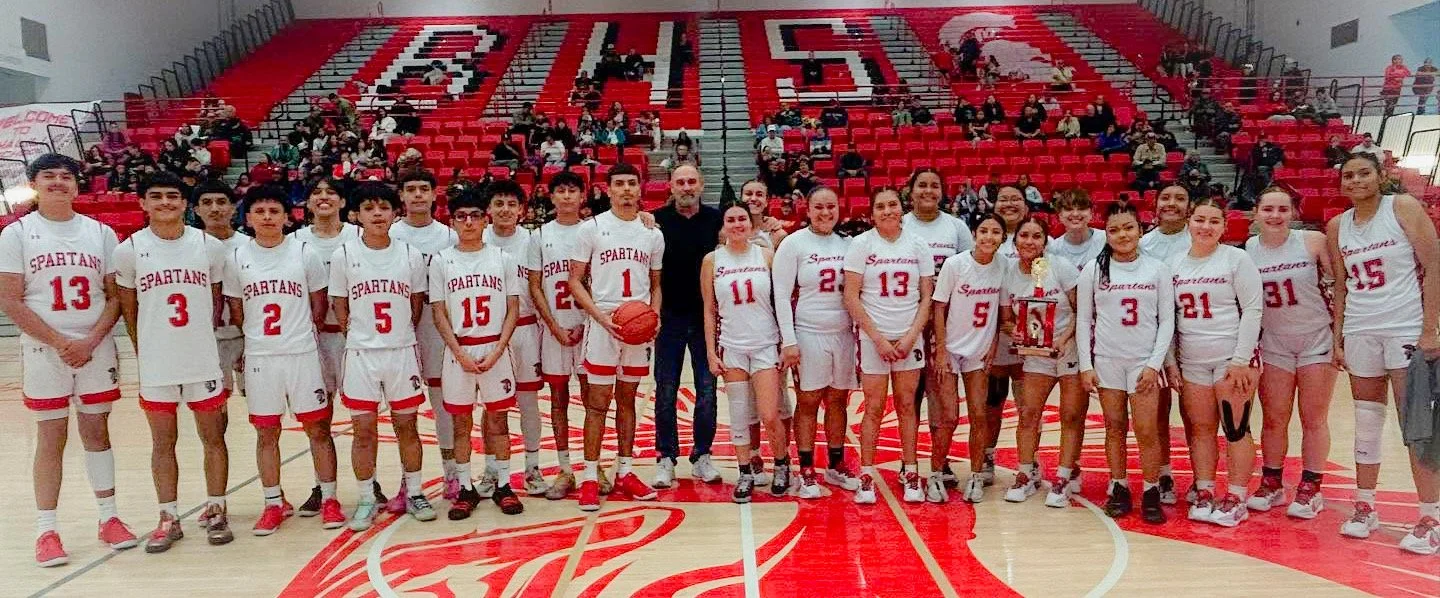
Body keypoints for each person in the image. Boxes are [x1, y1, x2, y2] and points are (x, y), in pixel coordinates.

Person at [0, 155, 137, 566]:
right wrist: (61, 342)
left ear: (78, 187)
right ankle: (47, 530)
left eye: (66, 177)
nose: (58, 182)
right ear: (34, 184)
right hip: (46, 351)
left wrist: (91, 340)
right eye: (49, 176)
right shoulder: (17, 234)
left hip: (94, 348)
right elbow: (9, 298)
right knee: (51, 437)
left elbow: (115, 296)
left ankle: (109, 518)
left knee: (97, 431)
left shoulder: (101, 233)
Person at [1328, 154, 1440, 553]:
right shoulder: (1337, 226)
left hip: (1405, 328)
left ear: (1380, 176)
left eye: (1363, 173)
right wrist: (1338, 336)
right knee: (1367, 422)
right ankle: (1365, 506)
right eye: (1348, 175)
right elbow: (1341, 286)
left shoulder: (1403, 207)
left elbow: (1434, 263)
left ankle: (1430, 515)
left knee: (1417, 427)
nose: (1356, 180)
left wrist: (1432, 328)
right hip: (1361, 329)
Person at [114, 172, 232, 551]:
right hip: (157, 364)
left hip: (201, 358)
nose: (165, 202)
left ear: (184, 204)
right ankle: (168, 515)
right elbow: (129, 313)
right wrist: (148, 349)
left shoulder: (208, 246)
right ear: (143, 204)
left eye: (173, 196)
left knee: (213, 438)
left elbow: (215, 303)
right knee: (163, 443)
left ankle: (217, 508)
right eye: (156, 196)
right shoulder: (129, 250)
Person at [223, 185, 342, 534]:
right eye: (260, 212)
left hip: (302, 354)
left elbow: (319, 306)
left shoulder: (304, 253)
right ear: (248, 219)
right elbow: (237, 309)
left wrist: (302, 335)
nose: (267, 217)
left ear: (286, 216)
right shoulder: (236, 258)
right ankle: (274, 502)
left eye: (274, 211)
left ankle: (330, 497)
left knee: (318, 429)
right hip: (262, 357)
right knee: (266, 433)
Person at [328, 181, 433, 532]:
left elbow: (416, 306)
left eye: (384, 208)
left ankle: (415, 492)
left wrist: (398, 335)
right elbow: (339, 305)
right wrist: (358, 335)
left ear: (394, 212)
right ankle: (366, 498)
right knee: (363, 431)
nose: (377, 214)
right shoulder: (344, 255)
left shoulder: (410, 254)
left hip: (401, 351)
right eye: (369, 208)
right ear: (356, 214)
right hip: (361, 354)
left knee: (408, 426)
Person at [569, 163, 666, 511]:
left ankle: (625, 470)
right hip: (604, 323)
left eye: (631, 184)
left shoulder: (653, 233)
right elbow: (575, 281)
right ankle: (591, 476)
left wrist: (653, 317)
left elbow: (656, 285)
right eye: (619, 184)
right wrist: (599, 317)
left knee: (628, 400)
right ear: (607, 190)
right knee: (597, 404)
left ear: (640, 190)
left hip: (638, 327)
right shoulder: (591, 229)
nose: (626, 189)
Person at [1164, 197, 1264, 528]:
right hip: (1192, 360)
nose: (1206, 227)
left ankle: (1236, 495)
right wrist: (1172, 361)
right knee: (1202, 430)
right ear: (1189, 222)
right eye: (1200, 219)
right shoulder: (1174, 264)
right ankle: (1205, 489)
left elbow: (1252, 309)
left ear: (1224, 226)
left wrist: (1241, 359)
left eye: (1214, 221)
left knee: (1236, 429)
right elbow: (1167, 318)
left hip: (1230, 359)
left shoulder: (1236, 259)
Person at [428, 188, 526, 519]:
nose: (468, 222)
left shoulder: (503, 259)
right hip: (459, 352)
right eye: (461, 216)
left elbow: (513, 308)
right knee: (461, 424)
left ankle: (503, 484)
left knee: (498, 421)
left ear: (484, 219)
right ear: (451, 221)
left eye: (474, 216)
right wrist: (459, 353)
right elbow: (439, 313)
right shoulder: (441, 261)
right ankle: (465, 488)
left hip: (495, 348)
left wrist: (499, 350)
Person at [1077, 201, 1175, 522]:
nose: (1122, 234)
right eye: (1114, 229)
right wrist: (1085, 364)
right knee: (1114, 427)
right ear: (1105, 234)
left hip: (1144, 363)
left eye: (1128, 227)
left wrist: (1154, 364)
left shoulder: (1157, 269)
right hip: (1107, 360)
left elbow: (1166, 322)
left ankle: (1151, 490)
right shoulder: (1094, 269)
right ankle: (1118, 485)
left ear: (1141, 229)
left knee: (1147, 430)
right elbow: (1083, 320)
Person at [1244, 187, 1337, 519]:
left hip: (1315, 337)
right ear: (1256, 212)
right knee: (1274, 418)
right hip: (1274, 342)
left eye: (1282, 209)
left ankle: (1311, 486)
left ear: (1293, 213)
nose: (1274, 215)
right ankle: (1272, 482)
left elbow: (1338, 287)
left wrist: (1340, 338)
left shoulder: (1312, 240)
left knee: (1313, 418)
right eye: (1267, 209)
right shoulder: (1249, 249)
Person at [843, 188, 935, 504]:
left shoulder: (918, 244)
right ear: (872, 212)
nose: (887, 211)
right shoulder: (861, 245)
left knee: (908, 406)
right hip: (874, 339)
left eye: (892, 205)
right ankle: (866, 474)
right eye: (880, 206)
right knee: (874, 407)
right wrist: (879, 339)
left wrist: (910, 337)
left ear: (901, 208)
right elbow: (851, 297)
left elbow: (927, 297)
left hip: (910, 337)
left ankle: (911, 471)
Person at [774, 187, 862, 499]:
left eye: (831, 207)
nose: (825, 213)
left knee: (838, 400)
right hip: (808, 333)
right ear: (807, 210)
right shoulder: (793, 243)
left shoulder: (850, 243)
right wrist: (789, 340)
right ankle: (807, 469)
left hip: (843, 333)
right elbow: (781, 295)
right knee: (809, 401)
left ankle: (836, 465)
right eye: (819, 207)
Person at [288, 178, 369, 513]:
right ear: (307, 204)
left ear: (341, 201)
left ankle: (369, 482)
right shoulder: (294, 241)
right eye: (316, 194)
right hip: (313, 338)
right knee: (318, 417)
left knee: (363, 418)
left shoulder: (359, 236)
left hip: (354, 337)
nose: (323, 198)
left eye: (330, 193)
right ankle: (324, 486)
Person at [702, 205, 789, 502]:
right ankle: (745, 473)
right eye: (731, 220)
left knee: (768, 414)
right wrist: (711, 352)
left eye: (742, 219)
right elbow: (709, 310)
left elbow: (781, 303)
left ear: (751, 224)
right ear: (723, 226)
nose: (737, 224)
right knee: (739, 418)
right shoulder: (712, 261)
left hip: (765, 344)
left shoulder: (765, 256)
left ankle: (781, 464)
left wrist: (785, 342)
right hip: (732, 347)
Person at [384, 171, 458, 504]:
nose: (417, 195)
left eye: (423, 189)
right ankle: (408, 479)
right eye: (410, 189)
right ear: (401, 195)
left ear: (433, 194)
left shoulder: (449, 236)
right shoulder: (389, 234)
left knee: (444, 404)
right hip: (399, 330)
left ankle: (452, 473)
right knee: (405, 411)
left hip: (438, 327)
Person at [902, 168, 975, 496]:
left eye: (935, 185)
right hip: (908, 320)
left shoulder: (957, 227)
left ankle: (944, 459)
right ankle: (910, 460)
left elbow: (972, 271)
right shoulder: (900, 225)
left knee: (946, 397)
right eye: (922, 185)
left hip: (950, 324)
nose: (928, 191)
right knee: (910, 396)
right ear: (911, 190)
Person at [650, 165, 724, 488]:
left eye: (692, 181)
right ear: (671, 186)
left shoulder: (717, 219)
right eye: (680, 182)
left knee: (707, 389)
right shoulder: (655, 221)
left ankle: (702, 455)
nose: (686, 186)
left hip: (706, 317)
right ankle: (666, 457)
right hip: (668, 318)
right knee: (666, 390)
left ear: (701, 184)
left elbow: (752, 234)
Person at [1002, 218, 1084, 506]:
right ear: (1015, 241)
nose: (1030, 241)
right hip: (1036, 355)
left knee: (1071, 415)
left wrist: (1064, 339)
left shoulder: (1060, 267)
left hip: (1068, 350)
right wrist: (1021, 334)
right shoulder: (1008, 273)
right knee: (1028, 414)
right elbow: (1006, 321)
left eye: (1037, 236)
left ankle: (1064, 476)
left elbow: (1081, 310)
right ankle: (1026, 473)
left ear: (1045, 241)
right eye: (1024, 235)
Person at [932, 215, 1009, 503]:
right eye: (984, 231)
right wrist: (940, 348)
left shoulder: (1003, 266)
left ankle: (976, 476)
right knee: (949, 416)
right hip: (951, 348)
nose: (989, 237)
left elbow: (1002, 311)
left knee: (979, 415)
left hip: (979, 350)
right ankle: (936, 474)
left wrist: (993, 344)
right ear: (974, 234)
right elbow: (939, 307)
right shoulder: (955, 265)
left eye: (996, 232)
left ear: (1002, 237)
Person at [479, 180, 548, 497]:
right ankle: (492, 469)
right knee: (492, 406)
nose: (505, 209)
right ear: (489, 210)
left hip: (525, 329)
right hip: (489, 334)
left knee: (529, 403)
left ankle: (532, 468)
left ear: (522, 210)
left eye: (511, 204)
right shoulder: (476, 239)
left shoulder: (534, 240)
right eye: (498, 203)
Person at [527, 172, 590, 499]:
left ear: (582, 196)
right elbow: (535, 285)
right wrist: (552, 325)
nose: (566, 197)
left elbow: (595, 280)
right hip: (553, 328)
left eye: (572, 191)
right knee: (558, 399)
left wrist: (586, 321)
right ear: (551, 197)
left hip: (588, 328)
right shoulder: (539, 235)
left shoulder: (594, 230)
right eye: (560, 191)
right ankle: (566, 469)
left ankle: (595, 466)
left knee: (594, 400)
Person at [1140, 184, 1192, 503]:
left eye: (1179, 198)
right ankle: (1163, 473)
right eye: (1166, 198)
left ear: (1189, 206)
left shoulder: (1200, 237)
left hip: (1195, 335)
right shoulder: (1144, 244)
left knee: (1196, 414)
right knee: (1157, 412)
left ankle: (1202, 479)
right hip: (1156, 339)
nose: (1171, 203)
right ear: (1155, 204)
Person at [192, 181, 250, 396]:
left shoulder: (250, 245)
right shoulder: (189, 247)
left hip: (248, 335)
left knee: (260, 406)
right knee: (213, 406)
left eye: (221, 202)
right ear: (196, 210)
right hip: (208, 338)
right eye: (207, 203)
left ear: (234, 208)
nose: (215, 208)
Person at [1046, 189, 1104, 271]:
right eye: (1069, 209)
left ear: (1091, 214)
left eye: (1081, 208)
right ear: (1060, 216)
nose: (1075, 214)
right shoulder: (1054, 249)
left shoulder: (1106, 240)